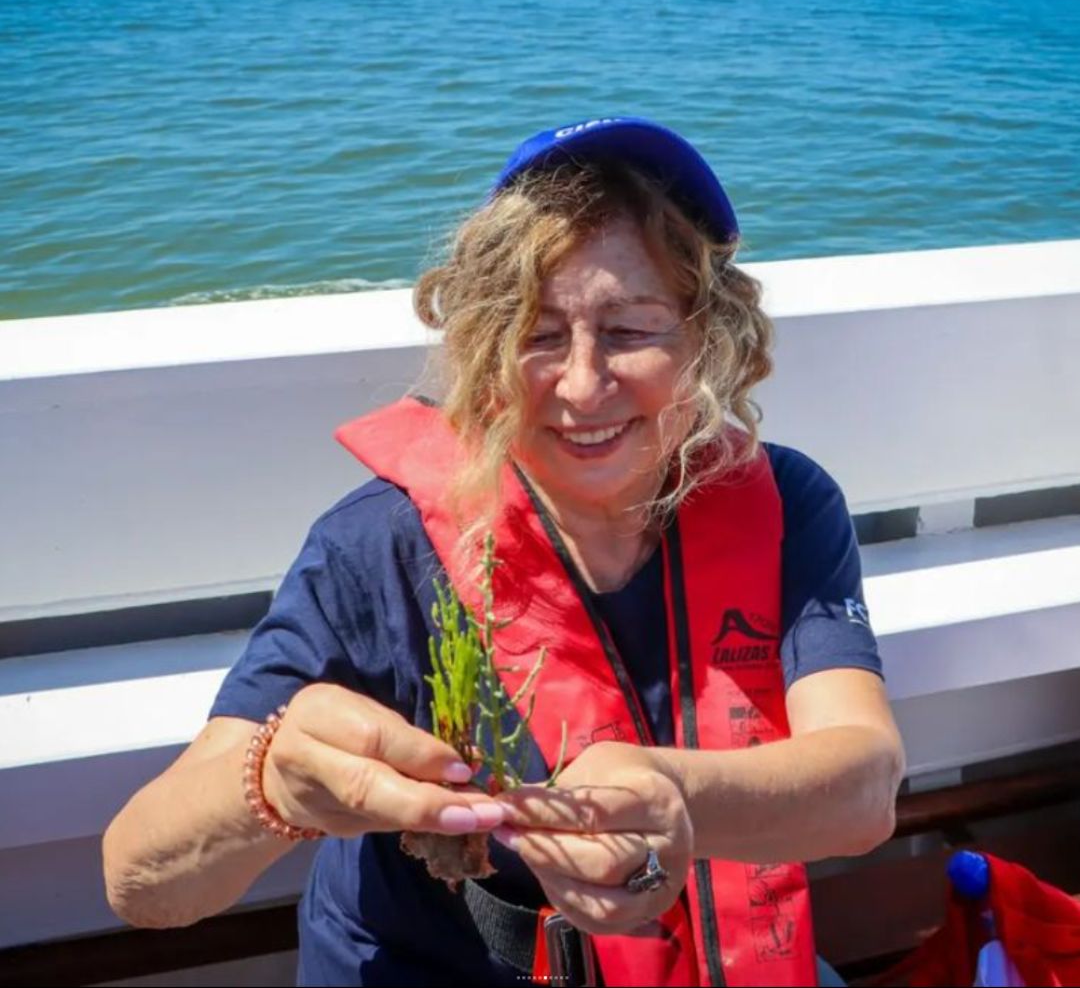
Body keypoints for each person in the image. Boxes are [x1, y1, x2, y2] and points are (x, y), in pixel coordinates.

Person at [103, 117, 905, 987]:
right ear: (485, 351)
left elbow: (863, 791)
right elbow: (140, 882)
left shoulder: (790, 506)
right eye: (540, 333)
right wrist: (273, 790)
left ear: (706, 340)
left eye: (632, 330)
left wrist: (674, 792)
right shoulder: (375, 548)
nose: (583, 384)